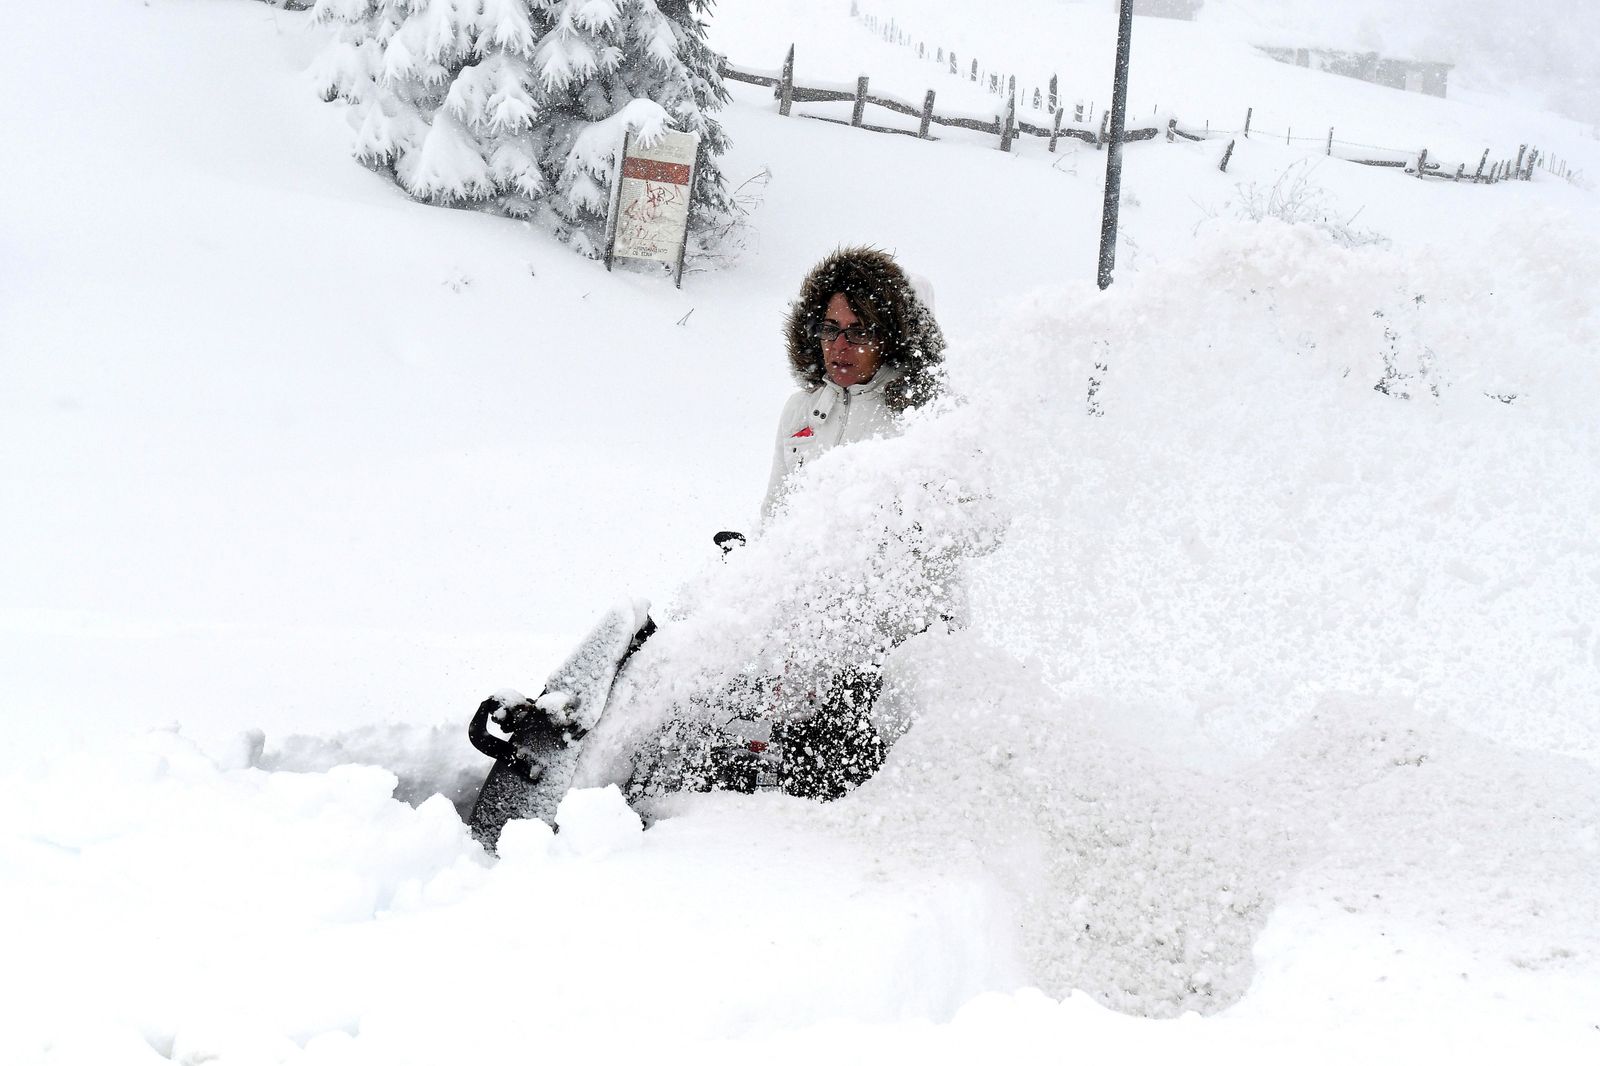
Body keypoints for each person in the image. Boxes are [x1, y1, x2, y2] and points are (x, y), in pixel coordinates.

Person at [762, 246, 947, 520]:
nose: (839, 345)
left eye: (858, 332)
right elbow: (776, 514)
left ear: (889, 341)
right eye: (829, 329)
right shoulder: (800, 411)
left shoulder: (926, 417)